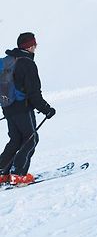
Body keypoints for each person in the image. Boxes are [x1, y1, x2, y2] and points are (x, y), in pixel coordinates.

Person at [0, 33, 56, 186]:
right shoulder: (27, 63)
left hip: (7, 107)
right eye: (35, 44)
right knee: (31, 139)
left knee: (15, 139)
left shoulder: (7, 61)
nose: (35, 47)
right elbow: (33, 93)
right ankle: (18, 174)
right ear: (30, 46)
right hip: (22, 108)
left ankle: (2, 173)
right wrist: (46, 109)